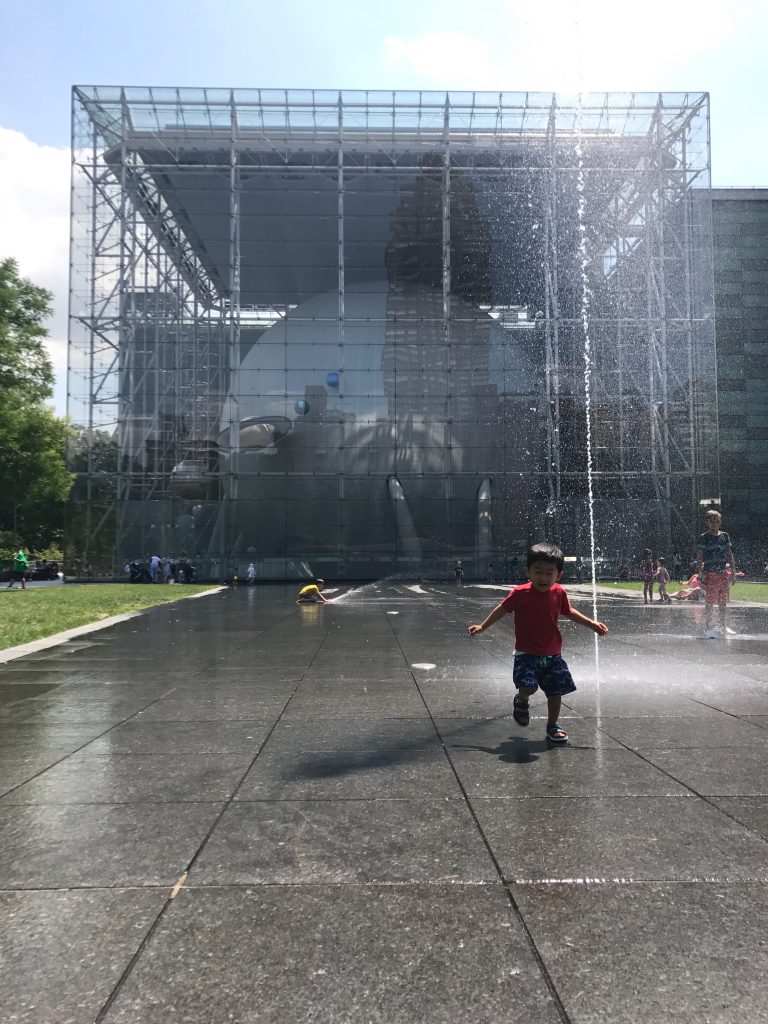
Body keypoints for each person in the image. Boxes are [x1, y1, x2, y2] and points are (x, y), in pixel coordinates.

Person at [468, 542, 608, 744]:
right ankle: (521, 699)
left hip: (553, 654)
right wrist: (483, 626)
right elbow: (502, 609)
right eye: (538, 572)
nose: (543, 578)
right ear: (528, 572)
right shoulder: (520, 593)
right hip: (526, 653)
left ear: (558, 575)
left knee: (556, 692)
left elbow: (569, 612)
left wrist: (591, 624)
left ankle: (553, 726)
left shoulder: (559, 593)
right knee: (529, 686)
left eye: (549, 573)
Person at [696, 509, 736, 639]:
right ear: (707, 522)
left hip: (722, 573)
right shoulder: (704, 537)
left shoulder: (724, 536)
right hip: (710, 573)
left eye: (718, 521)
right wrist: (700, 571)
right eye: (712, 521)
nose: (715, 524)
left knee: (723, 601)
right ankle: (708, 626)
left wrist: (733, 571)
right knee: (710, 601)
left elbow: (729, 554)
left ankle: (722, 625)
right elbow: (700, 555)